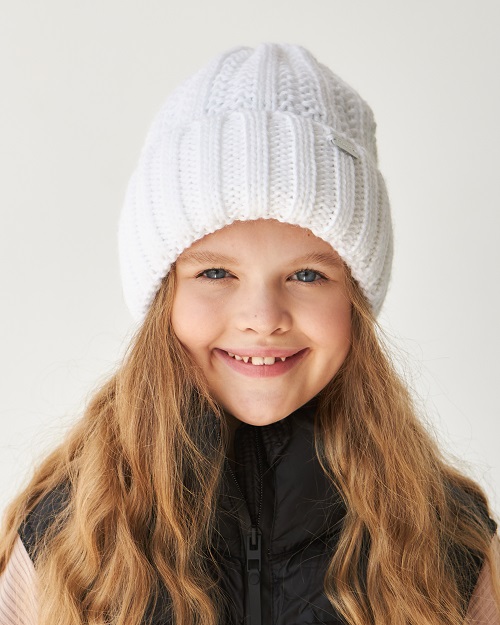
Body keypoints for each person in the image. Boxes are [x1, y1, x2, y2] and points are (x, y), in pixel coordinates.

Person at [0, 42, 498, 625]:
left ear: (355, 300)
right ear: (165, 298)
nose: (262, 317)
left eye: (307, 275)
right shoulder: (67, 539)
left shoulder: (449, 541)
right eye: (216, 273)